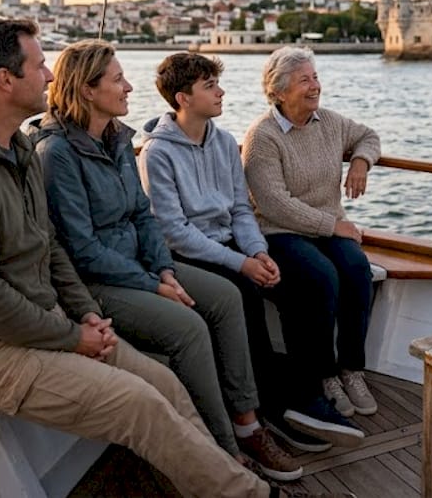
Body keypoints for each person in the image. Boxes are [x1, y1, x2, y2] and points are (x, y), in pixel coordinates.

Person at [0, 18, 269, 497]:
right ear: (5, 80)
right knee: (141, 403)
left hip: (41, 319)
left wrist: (86, 313)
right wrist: (73, 336)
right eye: (39, 65)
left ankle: (220, 476)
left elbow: (49, 246)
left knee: (163, 385)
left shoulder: (17, 149)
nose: (50, 76)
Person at [30, 40, 300, 482]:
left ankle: (248, 423)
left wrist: (167, 270)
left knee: (228, 297)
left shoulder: (117, 138)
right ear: (87, 89)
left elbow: (143, 215)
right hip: (98, 283)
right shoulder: (57, 154)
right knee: (189, 327)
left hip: (143, 266)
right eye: (118, 79)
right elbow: (80, 249)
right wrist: (153, 283)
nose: (129, 86)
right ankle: (223, 450)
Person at [138, 51, 364, 453]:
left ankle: (308, 390)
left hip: (232, 245)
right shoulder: (158, 153)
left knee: (303, 280)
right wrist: (241, 262)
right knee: (242, 294)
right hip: (190, 254)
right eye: (210, 87)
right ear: (183, 99)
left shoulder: (224, 143)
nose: (222, 92)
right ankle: (270, 409)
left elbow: (242, 209)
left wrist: (259, 252)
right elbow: (175, 232)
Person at [241, 46, 381, 423]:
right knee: (320, 277)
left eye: (315, 77)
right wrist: (333, 225)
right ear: (280, 91)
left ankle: (351, 369)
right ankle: (324, 376)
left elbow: (368, 135)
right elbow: (274, 204)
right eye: (304, 80)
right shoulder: (263, 137)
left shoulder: (329, 123)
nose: (315, 86)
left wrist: (361, 163)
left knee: (356, 268)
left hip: (324, 225)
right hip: (279, 232)